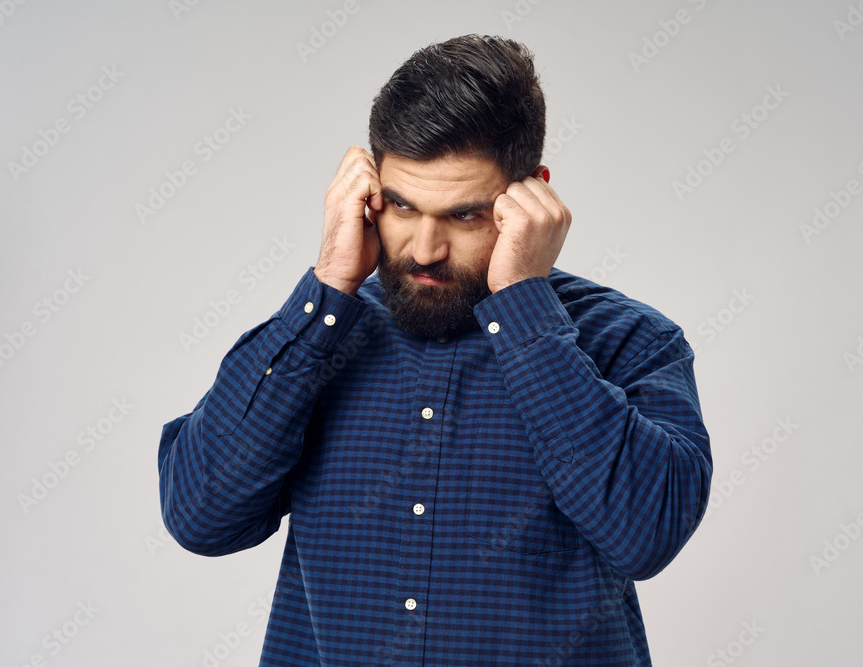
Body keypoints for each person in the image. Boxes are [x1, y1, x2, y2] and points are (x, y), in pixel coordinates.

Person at [158, 33, 712, 666]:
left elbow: (647, 536)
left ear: (531, 197)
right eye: (401, 206)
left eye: (465, 216)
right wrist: (327, 286)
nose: (424, 249)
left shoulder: (630, 342)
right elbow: (199, 516)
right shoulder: (320, 338)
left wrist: (525, 310)